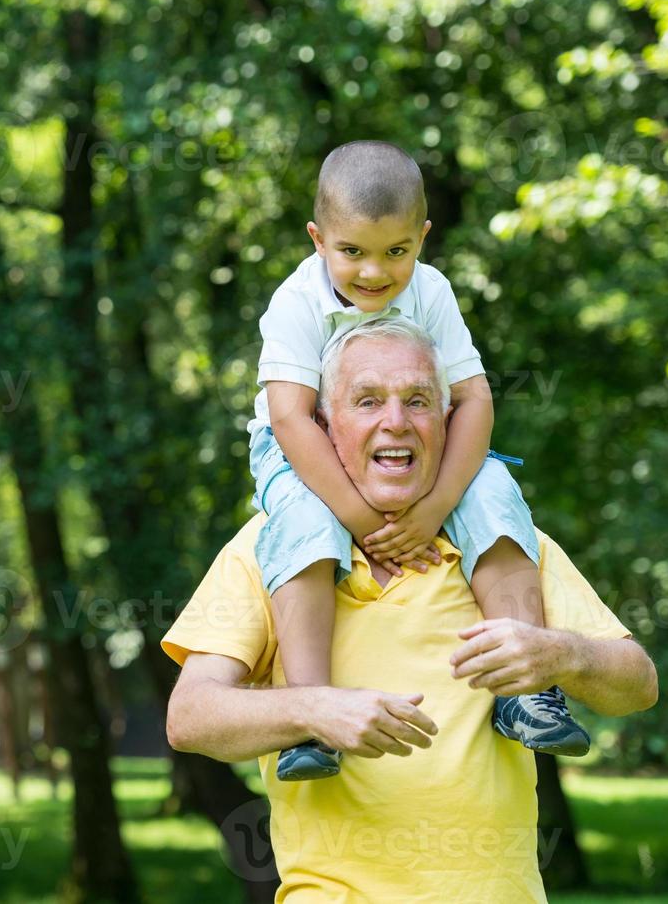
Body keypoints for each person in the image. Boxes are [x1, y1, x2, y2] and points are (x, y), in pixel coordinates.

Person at [165, 318, 657, 901]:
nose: (395, 421)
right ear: (324, 426)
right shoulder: (270, 549)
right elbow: (190, 716)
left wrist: (564, 654)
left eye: (418, 401)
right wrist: (313, 710)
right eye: (367, 400)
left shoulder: (505, 545)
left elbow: (639, 684)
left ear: (449, 424)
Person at [247, 140, 585, 781]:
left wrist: (435, 509)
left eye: (396, 252)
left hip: (413, 448)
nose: (374, 272)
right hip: (304, 447)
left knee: (493, 494)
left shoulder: (430, 291)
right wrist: (357, 517)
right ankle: (311, 718)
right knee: (304, 527)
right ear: (318, 239)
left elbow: (475, 400)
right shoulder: (295, 304)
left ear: (422, 239)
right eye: (353, 252)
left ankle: (527, 695)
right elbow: (290, 417)